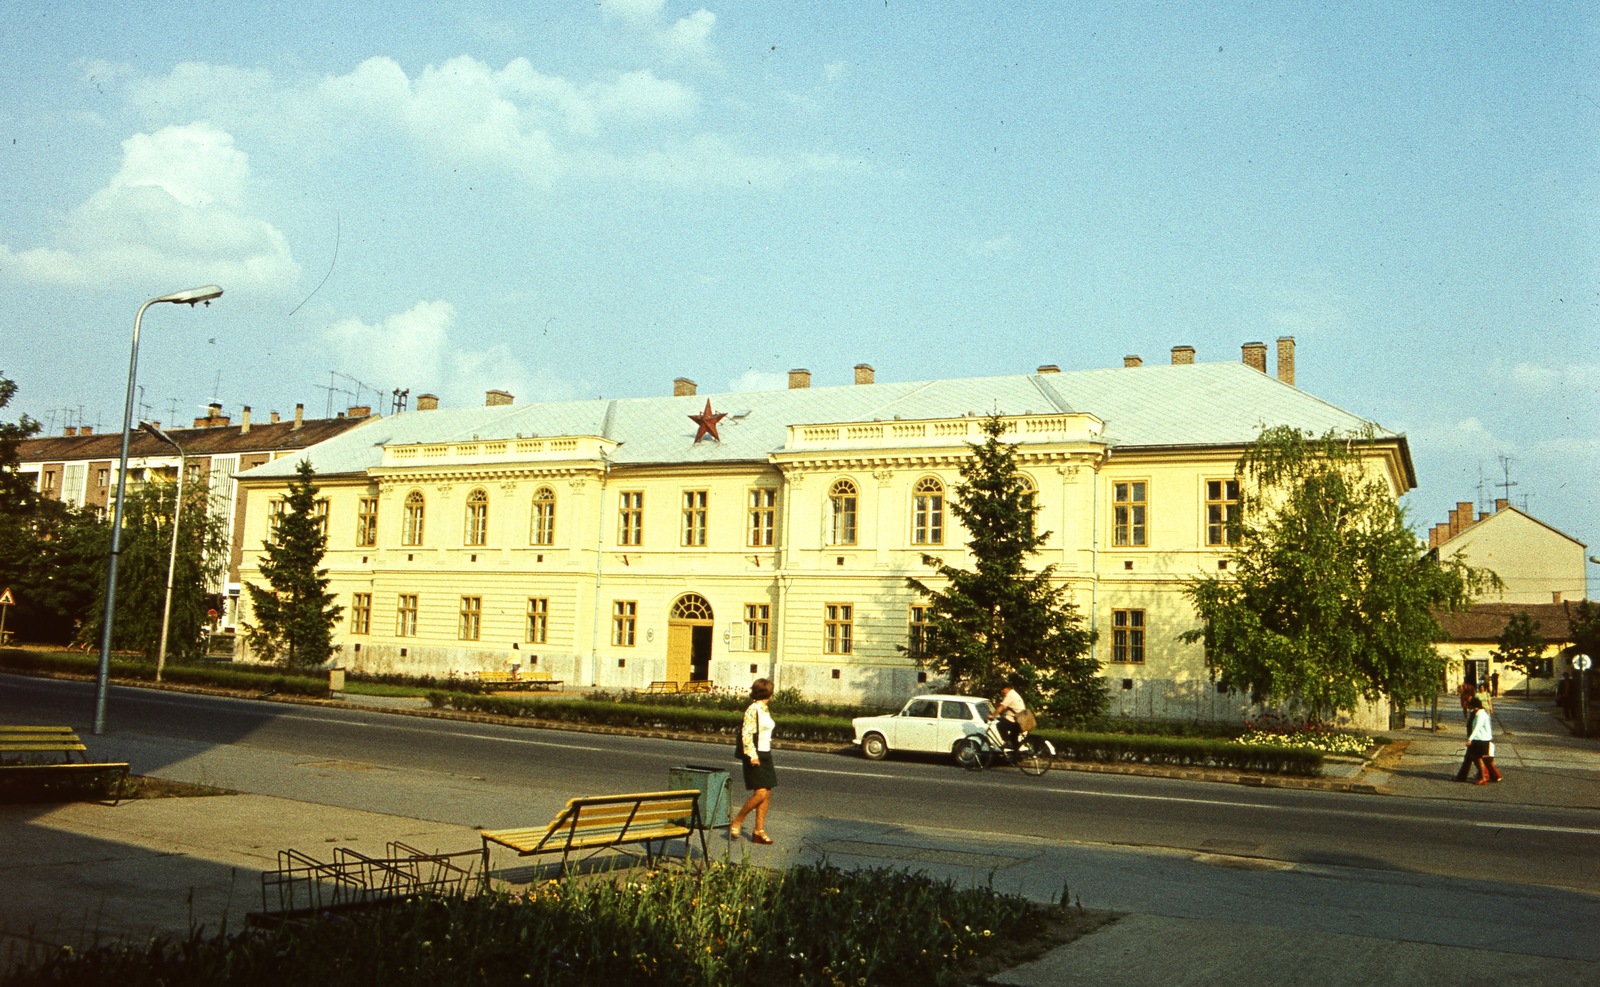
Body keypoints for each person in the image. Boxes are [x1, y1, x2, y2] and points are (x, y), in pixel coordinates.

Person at [730, 678, 776, 845]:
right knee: (761, 793)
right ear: (768, 693)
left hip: (765, 753)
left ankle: (759, 831)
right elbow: (746, 734)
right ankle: (738, 819)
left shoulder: (764, 709)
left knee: (767, 793)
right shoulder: (753, 709)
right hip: (754, 755)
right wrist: (752, 755)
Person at [992, 678, 1027, 751]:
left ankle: (1007, 742)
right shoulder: (1014, 693)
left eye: (1002, 689)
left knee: (1000, 725)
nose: (1001, 691)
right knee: (1013, 739)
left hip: (1019, 721)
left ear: (1007, 688)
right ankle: (1015, 758)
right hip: (1021, 720)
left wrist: (993, 715)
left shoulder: (1010, 695)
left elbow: (1001, 706)